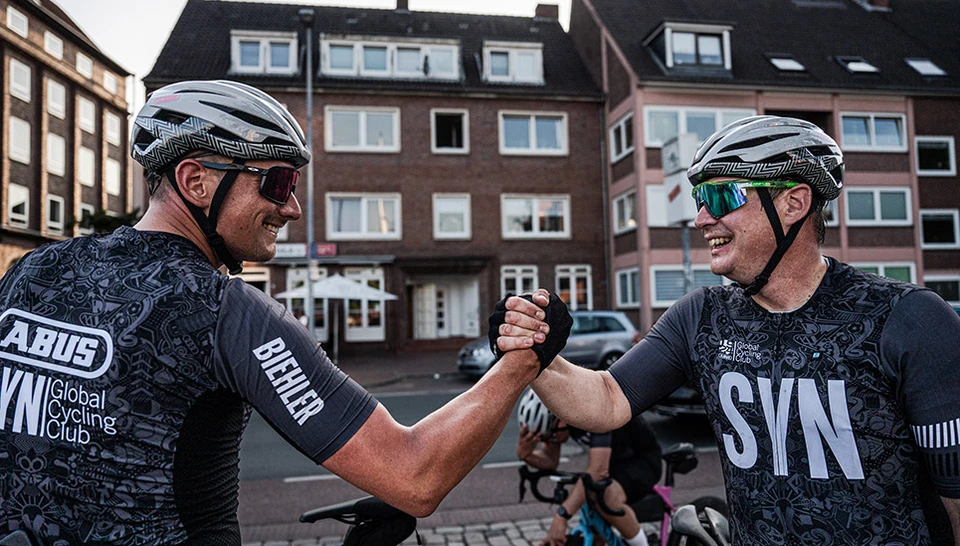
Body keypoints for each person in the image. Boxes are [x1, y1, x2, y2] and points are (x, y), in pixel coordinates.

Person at [0, 80, 565, 545]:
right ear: (196, 180)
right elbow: (413, 474)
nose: (292, 207)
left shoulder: (30, 272)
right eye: (277, 181)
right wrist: (520, 362)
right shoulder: (227, 313)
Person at [496, 115, 960, 544]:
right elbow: (606, 400)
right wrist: (536, 351)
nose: (701, 218)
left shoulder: (910, 320)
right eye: (701, 200)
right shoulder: (701, 316)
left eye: (721, 197)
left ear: (794, 202)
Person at [515, 389, 661, 546]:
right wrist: (526, 455)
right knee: (592, 510)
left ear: (560, 419)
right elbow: (551, 461)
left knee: (606, 498)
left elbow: (598, 471)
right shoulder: (561, 415)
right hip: (612, 462)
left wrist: (561, 516)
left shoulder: (594, 408)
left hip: (641, 459)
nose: (551, 440)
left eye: (551, 434)